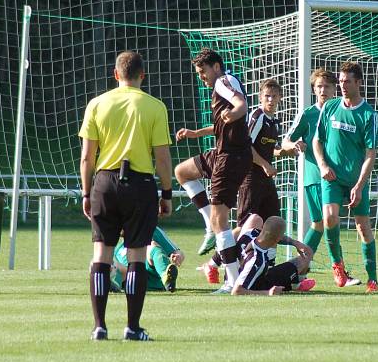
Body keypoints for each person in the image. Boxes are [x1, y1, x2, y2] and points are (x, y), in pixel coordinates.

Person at [79, 51, 173, 341]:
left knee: (101, 256)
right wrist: (166, 194)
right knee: (136, 257)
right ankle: (132, 328)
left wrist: (86, 193)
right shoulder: (155, 107)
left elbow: (86, 157)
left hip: (104, 183)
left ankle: (99, 327)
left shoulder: (97, 104)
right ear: (142, 75)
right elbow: (163, 158)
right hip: (140, 184)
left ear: (115, 74)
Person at [174, 48, 251, 293]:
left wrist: (235, 111)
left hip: (230, 157)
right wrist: (197, 133)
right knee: (182, 171)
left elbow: (241, 105)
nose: (201, 77)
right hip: (221, 152)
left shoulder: (223, 82)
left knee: (222, 221)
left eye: (202, 72)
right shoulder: (226, 82)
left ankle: (232, 282)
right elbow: (227, 120)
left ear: (215, 66)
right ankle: (209, 226)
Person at [198, 78, 287, 287]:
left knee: (272, 221)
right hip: (250, 177)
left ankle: (268, 267)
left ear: (280, 98)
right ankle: (214, 263)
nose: (271, 100)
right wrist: (265, 164)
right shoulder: (256, 116)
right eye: (267, 96)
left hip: (265, 180)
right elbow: (248, 146)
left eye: (274, 96)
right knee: (246, 226)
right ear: (260, 97)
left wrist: (283, 152)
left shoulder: (274, 121)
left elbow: (265, 148)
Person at [313, 61, 378, 292]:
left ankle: (372, 279)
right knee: (330, 217)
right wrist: (322, 165)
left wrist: (360, 185)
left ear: (358, 83)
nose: (342, 85)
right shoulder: (330, 107)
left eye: (347, 81)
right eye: (340, 81)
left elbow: (371, 155)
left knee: (363, 227)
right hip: (331, 177)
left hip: (355, 179)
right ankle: (337, 266)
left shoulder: (368, 114)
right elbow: (317, 141)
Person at [281, 68, 337, 265]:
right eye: (319, 86)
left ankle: (300, 265)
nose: (323, 90)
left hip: (337, 177)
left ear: (334, 89)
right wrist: (295, 145)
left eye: (327, 86)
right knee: (324, 222)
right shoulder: (308, 114)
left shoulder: (340, 112)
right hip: (314, 177)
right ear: (314, 89)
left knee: (323, 223)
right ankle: (334, 267)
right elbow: (286, 141)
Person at [232, 215, 316, 295]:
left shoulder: (250, 233)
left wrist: (295, 243)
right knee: (305, 258)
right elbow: (237, 291)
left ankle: (294, 283)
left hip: (251, 274)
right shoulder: (257, 261)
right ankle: (295, 285)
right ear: (277, 239)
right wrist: (268, 293)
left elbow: (272, 234)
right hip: (260, 285)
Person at [111, 227, 185, 293]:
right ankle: (114, 285)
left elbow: (178, 252)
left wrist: (178, 257)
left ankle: (166, 277)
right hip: (132, 281)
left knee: (150, 245)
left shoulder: (152, 231)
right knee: (113, 263)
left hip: (152, 279)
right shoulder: (118, 250)